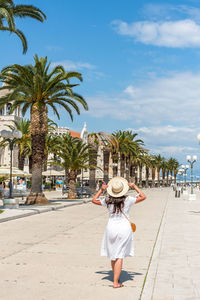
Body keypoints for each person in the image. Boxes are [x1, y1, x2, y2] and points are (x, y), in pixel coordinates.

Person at [92, 176, 146, 288]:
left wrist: (101, 190)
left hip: (111, 227)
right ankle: (116, 282)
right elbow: (143, 196)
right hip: (124, 228)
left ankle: (115, 277)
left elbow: (94, 200)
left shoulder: (107, 200)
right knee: (119, 255)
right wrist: (134, 186)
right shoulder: (128, 199)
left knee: (113, 254)